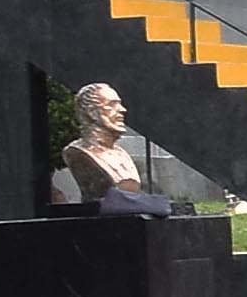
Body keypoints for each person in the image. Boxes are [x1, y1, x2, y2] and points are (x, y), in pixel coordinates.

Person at [58, 82, 172, 217]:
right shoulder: (78, 153)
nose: (122, 110)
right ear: (92, 112)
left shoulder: (122, 154)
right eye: (111, 105)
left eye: (119, 104)